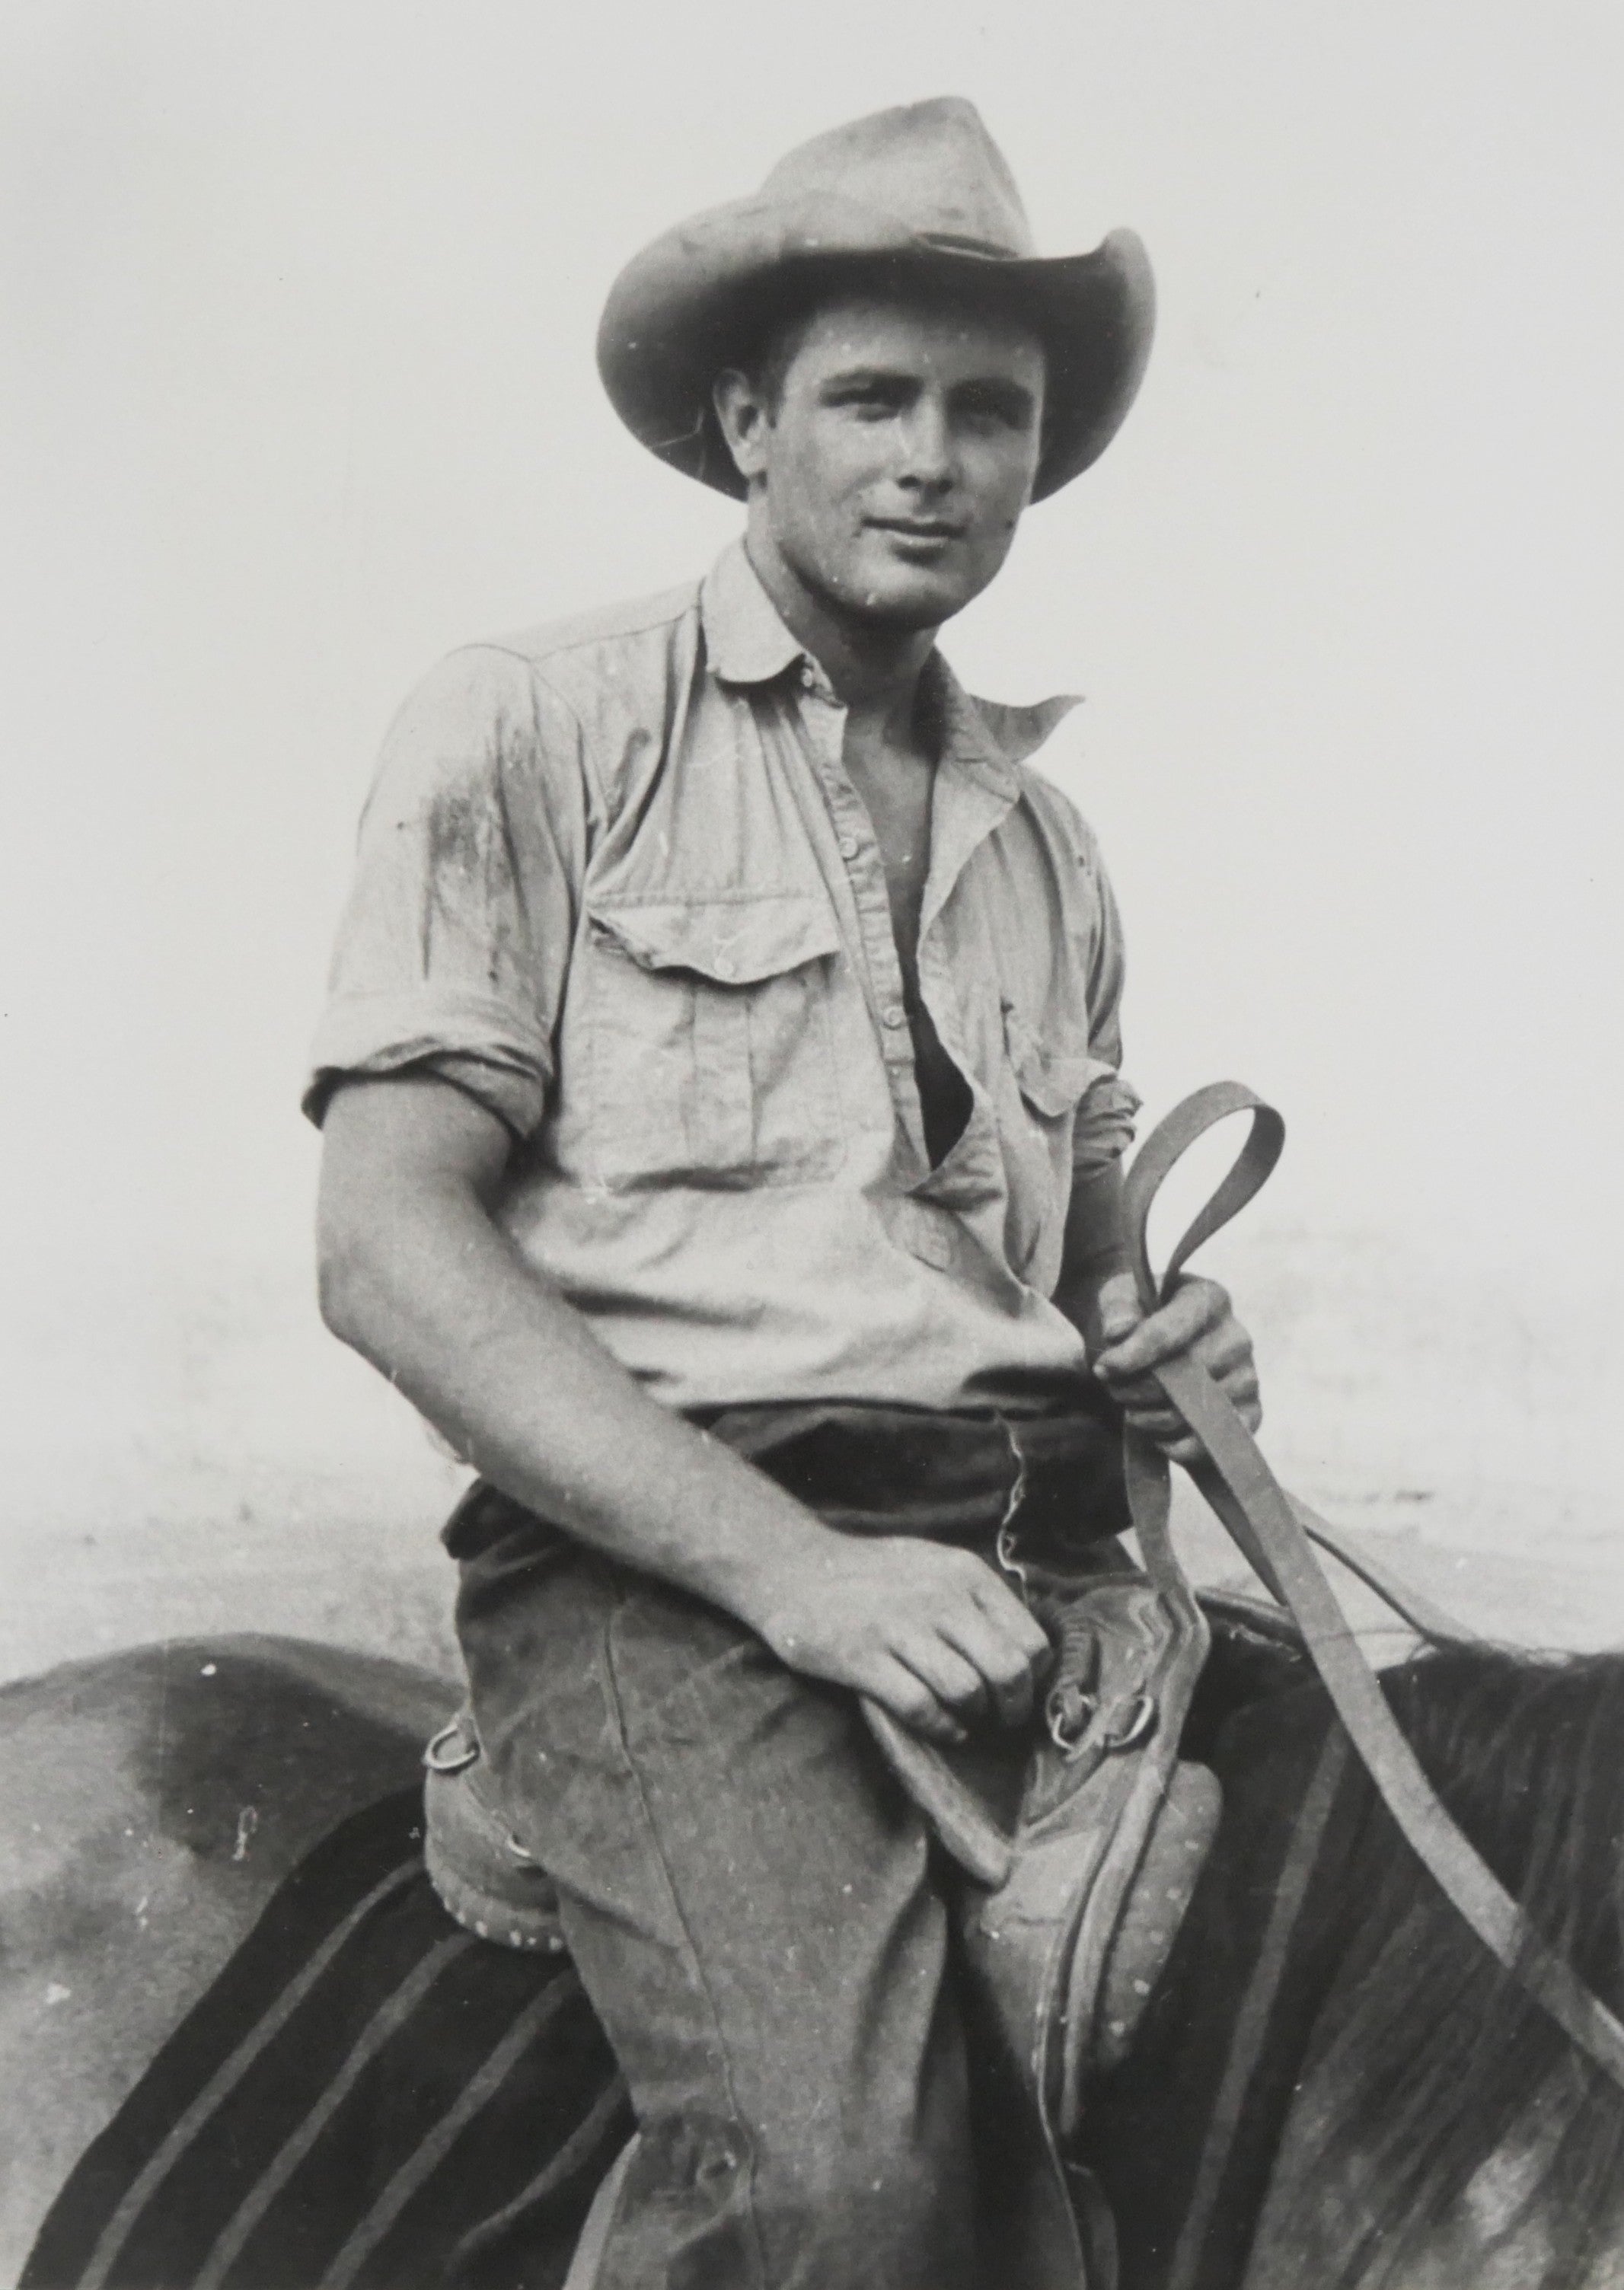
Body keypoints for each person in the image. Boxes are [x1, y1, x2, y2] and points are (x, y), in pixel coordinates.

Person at [308, 96, 1261, 2290]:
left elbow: (1077, 1240)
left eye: (989, 412)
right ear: (749, 422)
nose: (934, 456)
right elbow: (384, 1243)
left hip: (1033, 1555)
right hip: (667, 1570)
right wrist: (794, 1572)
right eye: (872, 397)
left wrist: (1163, 1336)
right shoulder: (531, 727)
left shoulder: (1053, 845)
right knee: (835, 2195)